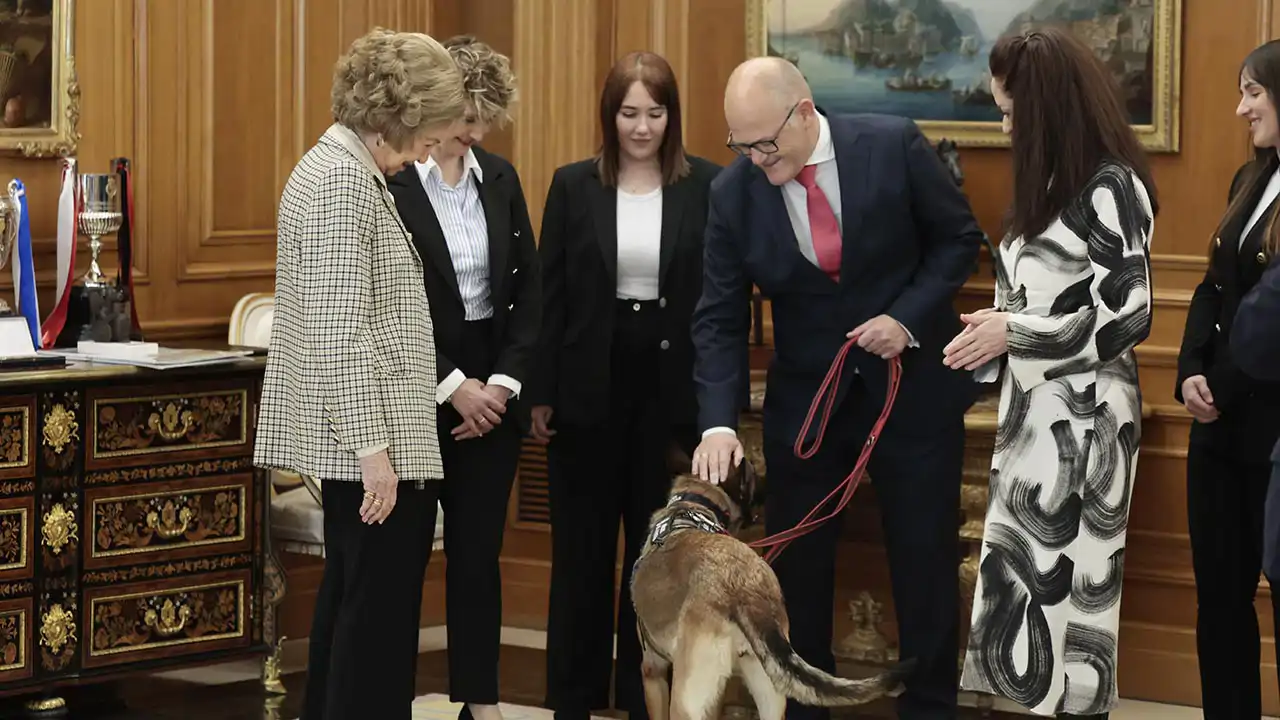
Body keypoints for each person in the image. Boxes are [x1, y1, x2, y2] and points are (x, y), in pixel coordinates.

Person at [691, 56, 984, 720]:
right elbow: (718, 314)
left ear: (804, 113)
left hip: (911, 400)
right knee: (797, 577)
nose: (758, 160)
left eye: (766, 143)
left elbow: (959, 240)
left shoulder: (891, 144)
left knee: (924, 566)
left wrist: (906, 318)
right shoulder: (733, 193)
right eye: (742, 146)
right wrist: (717, 422)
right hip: (807, 409)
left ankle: (931, 709)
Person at [942, 28, 1158, 719]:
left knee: (1076, 612)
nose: (1003, 125)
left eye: (1009, 111)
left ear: (1046, 108)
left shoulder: (1113, 188)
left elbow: (1129, 317)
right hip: (1034, 421)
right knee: (1028, 608)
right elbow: (1038, 304)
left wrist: (1018, 330)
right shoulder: (1051, 185)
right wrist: (996, 332)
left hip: (1088, 429)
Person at [253, 28, 467, 720]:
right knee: (373, 634)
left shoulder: (338, 168)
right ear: (399, 117)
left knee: (353, 624)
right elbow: (339, 333)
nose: (433, 148)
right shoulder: (343, 182)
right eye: (431, 133)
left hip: (368, 446)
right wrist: (376, 454)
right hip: (373, 452)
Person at [529, 51, 722, 720]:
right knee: (579, 560)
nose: (642, 128)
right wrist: (541, 393)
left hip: (669, 399)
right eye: (629, 113)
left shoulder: (708, 186)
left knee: (657, 563)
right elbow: (548, 297)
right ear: (609, 117)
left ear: (673, 117)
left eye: (655, 113)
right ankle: (571, 702)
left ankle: (642, 703)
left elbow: (721, 298)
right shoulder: (572, 185)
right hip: (586, 393)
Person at [386, 35, 538, 720]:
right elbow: (389, 305)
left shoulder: (500, 178)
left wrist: (501, 385)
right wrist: (452, 386)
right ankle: (386, 696)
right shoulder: (390, 183)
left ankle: (481, 701)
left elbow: (531, 291)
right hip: (421, 385)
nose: (475, 133)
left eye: (485, 119)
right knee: (405, 557)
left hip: (492, 388)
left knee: (478, 558)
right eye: (467, 117)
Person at [1176, 38, 1280, 719]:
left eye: (1253, 92)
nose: (1241, 108)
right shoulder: (1252, 177)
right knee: (1219, 601)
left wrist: (1225, 387)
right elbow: (1215, 286)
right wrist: (1188, 372)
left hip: (1272, 430)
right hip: (1216, 424)